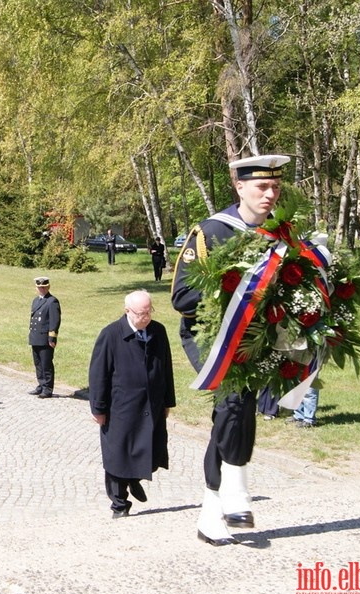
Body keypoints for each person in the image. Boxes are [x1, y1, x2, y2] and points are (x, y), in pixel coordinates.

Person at [171, 154, 291, 546]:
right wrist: (236, 288)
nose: (270, 194)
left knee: (236, 411)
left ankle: (210, 510)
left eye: (275, 187)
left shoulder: (281, 234)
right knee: (235, 398)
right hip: (210, 336)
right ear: (240, 187)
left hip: (256, 338)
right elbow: (182, 297)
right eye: (262, 187)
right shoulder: (212, 232)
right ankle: (237, 488)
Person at [88, 290, 175, 518]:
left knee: (147, 447)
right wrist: (98, 408)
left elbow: (166, 367)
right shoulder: (111, 334)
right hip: (121, 408)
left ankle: (133, 477)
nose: (146, 317)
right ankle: (119, 504)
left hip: (150, 405)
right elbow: (98, 374)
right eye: (141, 313)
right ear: (127, 311)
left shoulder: (158, 331)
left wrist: (168, 401)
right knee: (117, 455)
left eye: (149, 311)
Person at [28, 276, 61, 399]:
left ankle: (48, 388)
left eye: (44, 287)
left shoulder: (52, 301)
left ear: (48, 287)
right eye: (39, 287)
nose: (41, 289)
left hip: (45, 338)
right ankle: (41, 384)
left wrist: (52, 337)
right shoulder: (36, 301)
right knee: (38, 363)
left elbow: (55, 320)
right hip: (36, 336)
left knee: (46, 364)